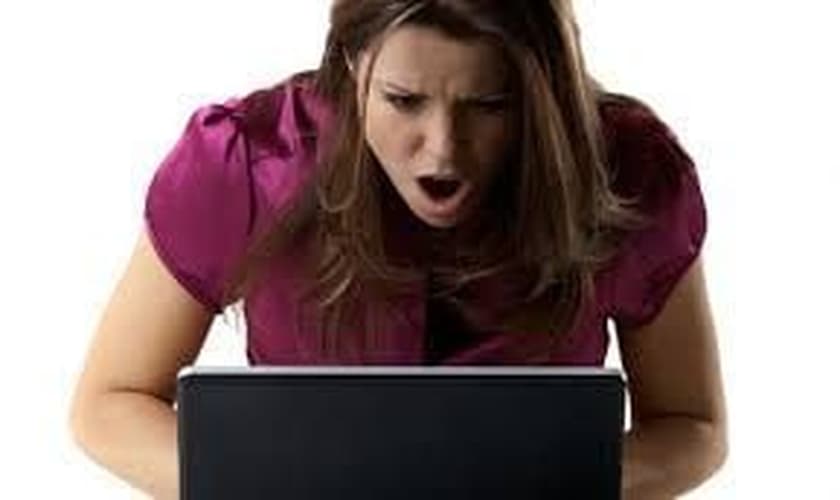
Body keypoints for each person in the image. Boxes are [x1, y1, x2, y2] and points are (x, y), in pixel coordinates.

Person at [68, 1, 728, 498]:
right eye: (404, 100)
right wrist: (269, 485)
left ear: (542, 89)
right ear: (352, 64)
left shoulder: (631, 170)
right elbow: (110, 400)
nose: (442, 149)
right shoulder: (243, 163)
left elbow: (692, 426)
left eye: (490, 104)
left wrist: (541, 484)